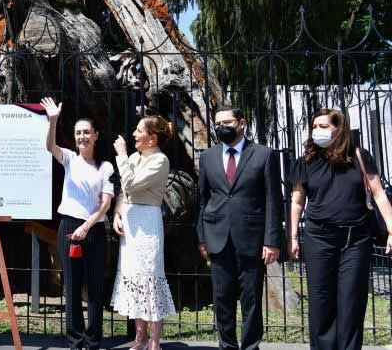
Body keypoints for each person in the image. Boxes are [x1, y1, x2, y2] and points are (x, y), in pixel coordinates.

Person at [288, 109, 392, 350]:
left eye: (323, 126)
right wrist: (292, 236)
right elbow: (297, 201)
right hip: (319, 238)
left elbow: (379, 195)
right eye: (314, 126)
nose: (317, 131)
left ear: (339, 128)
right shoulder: (306, 162)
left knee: (352, 302)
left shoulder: (360, 156)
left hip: (355, 240)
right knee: (321, 302)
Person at [196, 107, 283, 350]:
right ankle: (227, 346)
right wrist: (202, 237)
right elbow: (202, 200)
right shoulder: (208, 157)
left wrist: (272, 240)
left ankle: (251, 346)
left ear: (242, 123)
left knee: (252, 299)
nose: (222, 127)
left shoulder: (264, 155)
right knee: (222, 299)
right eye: (218, 123)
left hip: (252, 239)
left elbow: (273, 201)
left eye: (228, 122)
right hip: (217, 237)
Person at [40, 97, 113, 350]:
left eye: (87, 133)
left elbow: (105, 204)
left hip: (93, 230)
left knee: (94, 287)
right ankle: (75, 339)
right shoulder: (69, 158)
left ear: (96, 135)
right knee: (71, 285)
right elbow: (50, 147)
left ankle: (93, 340)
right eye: (78, 133)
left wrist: (88, 225)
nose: (82, 136)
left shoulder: (105, 167)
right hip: (68, 227)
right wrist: (53, 121)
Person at [110, 116, 176, 350]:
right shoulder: (136, 157)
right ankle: (140, 337)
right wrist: (118, 213)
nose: (134, 134)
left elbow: (131, 184)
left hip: (147, 223)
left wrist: (121, 155)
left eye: (139, 131)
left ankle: (155, 341)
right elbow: (123, 193)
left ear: (152, 138)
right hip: (130, 221)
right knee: (134, 279)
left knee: (149, 280)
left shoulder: (160, 161)